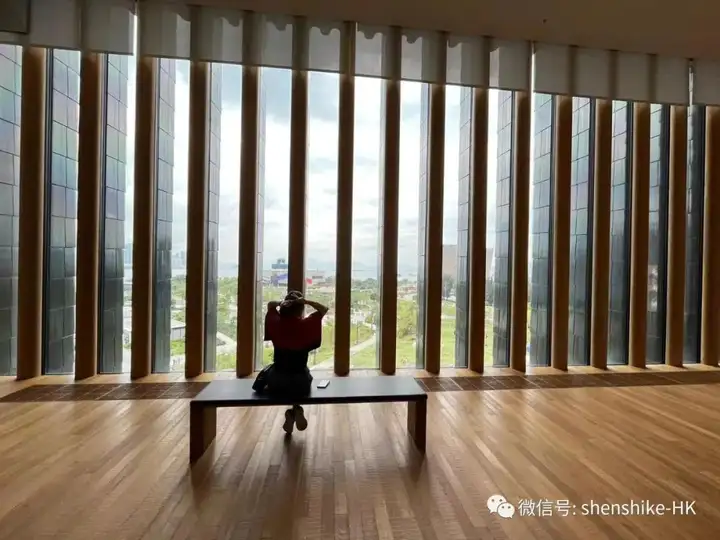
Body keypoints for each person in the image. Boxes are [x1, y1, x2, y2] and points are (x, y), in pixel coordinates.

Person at [261, 290, 328, 434]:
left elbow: (270, 305)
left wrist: (282, 302)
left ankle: (293, 412)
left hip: (276, 381)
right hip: (301, 382)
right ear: (300, 309)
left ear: (285, 307)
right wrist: (306, 301)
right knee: (298, 382)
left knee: (278, 378)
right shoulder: (306, 325)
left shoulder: (276, 323)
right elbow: (323, 309)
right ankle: (295, 409)